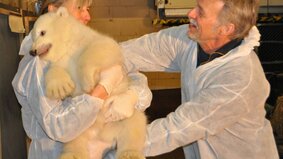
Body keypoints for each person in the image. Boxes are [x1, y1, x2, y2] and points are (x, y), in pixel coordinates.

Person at [110, 0, 279, 158]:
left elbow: (178, 128)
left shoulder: (239, 78)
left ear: (225, 29)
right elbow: (130, 53)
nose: (191, 13)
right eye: (196, 5)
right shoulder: (189, 39)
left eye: (201, 12)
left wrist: (110, 145)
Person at [12, 0, 152, 159]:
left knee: (134, 123)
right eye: (79, 8)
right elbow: (60, 127)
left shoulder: (80, 41)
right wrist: (103, 89)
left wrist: (132, 95)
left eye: (88, 8)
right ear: (54, 11)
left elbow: (133, 76)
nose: (87, 16)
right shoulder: (39, 63)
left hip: (105, 147)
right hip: (55, 154)